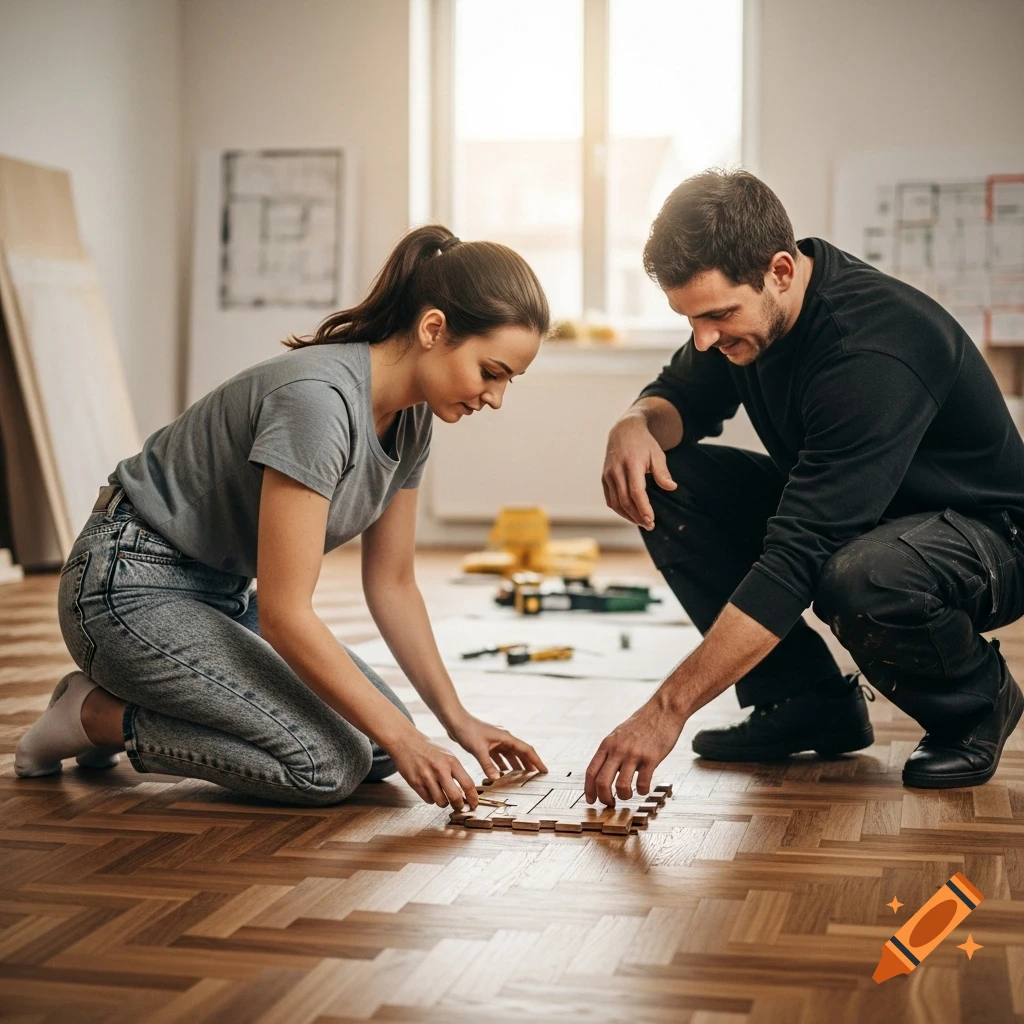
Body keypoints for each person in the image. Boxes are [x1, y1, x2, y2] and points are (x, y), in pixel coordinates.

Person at [16, 225, 549, 810]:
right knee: (326, 765)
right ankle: (93, 716)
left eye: (509, 382)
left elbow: (392, 584)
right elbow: (287, 614)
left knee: (378, 749)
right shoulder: (317, 403)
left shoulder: (414, 421)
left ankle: (139, 698)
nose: (495, 398)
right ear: (433, 329)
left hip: (217, 594)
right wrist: (408, 737)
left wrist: (454, 721)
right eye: (491, 372)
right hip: (125, 588)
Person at [586, 169, 1024, 806]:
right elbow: (680, 397)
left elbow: (800, 557)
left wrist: (665, 710)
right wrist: (635, 421)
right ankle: (805, 701)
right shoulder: (744, 318)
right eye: (690, 321)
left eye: (717, 316)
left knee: (859, 575)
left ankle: (976, 700)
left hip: (992, 538)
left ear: (781, 271)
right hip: (868, 521)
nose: (704, 339)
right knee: (669, 483)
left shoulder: (869, 351)